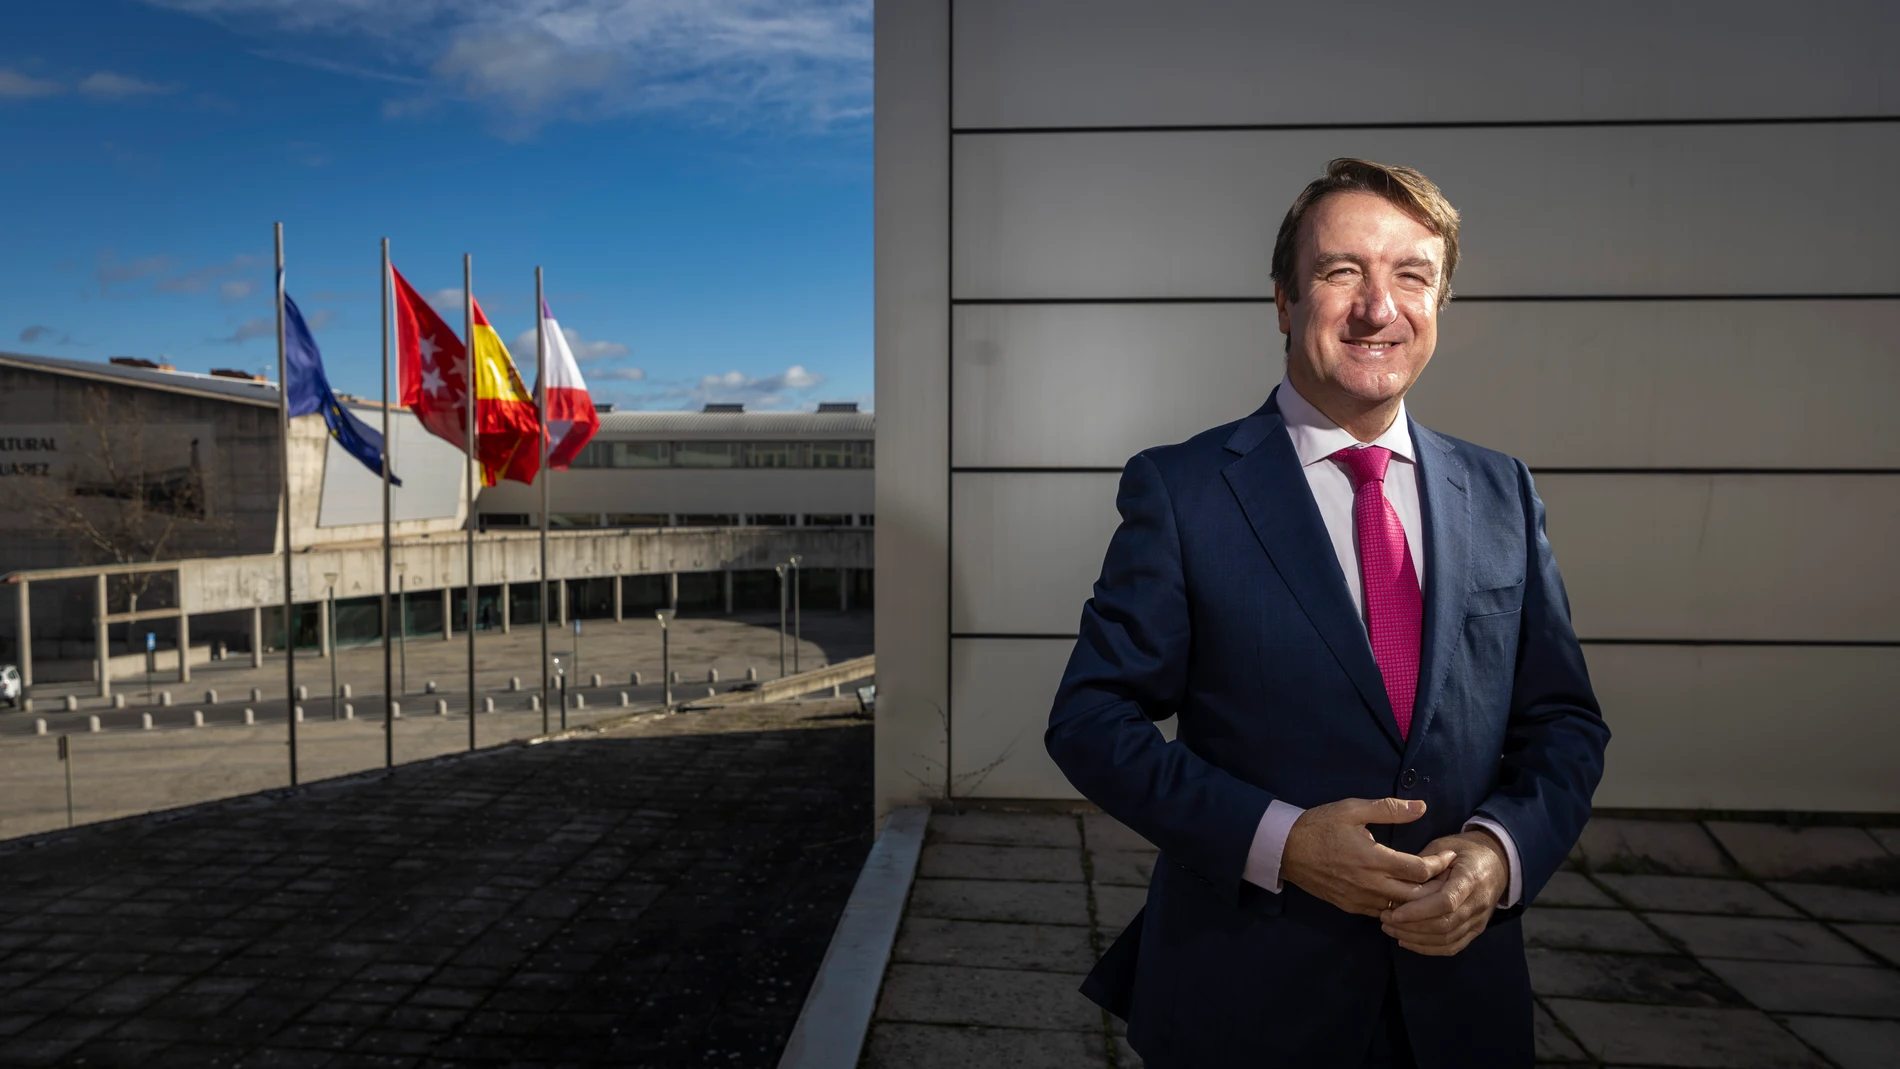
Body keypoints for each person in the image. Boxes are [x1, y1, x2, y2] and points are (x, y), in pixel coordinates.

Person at [1045, 158, 1609, 1068]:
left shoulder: (1502, 490)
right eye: (1342, 271)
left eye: (1411, 276)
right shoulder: (1184, 490)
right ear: (1283, 299)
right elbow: (1090, 720)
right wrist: (1282, 840)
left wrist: (1500, 856)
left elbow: (1565, 723)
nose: (1378, 307)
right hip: (1248, 1000)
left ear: (1440, 303)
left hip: (1462, 1003)